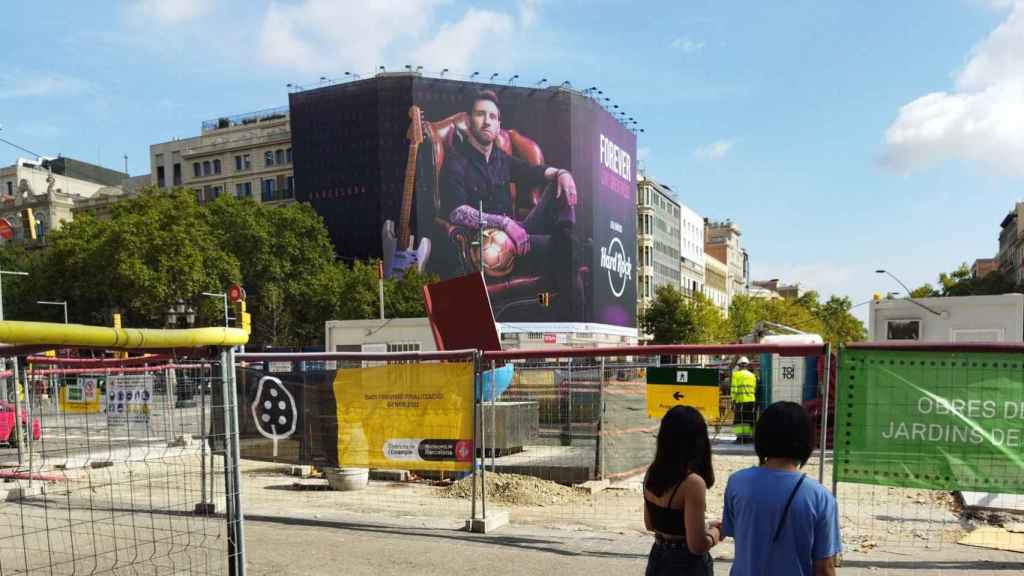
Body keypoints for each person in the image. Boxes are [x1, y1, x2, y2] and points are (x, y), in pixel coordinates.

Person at [439, 90, 580, 316]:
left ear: (498, 125)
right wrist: (505, 223)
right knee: (568, 251)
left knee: (558, 184)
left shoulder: (501, 159)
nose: (487, 121)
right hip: (489, 248)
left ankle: (567, 238)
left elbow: (535, 172)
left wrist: (562, 172)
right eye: (480, 114)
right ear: (469, 120)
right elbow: (456, 212)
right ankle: (570, 312)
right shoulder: (457, 160)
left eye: (492, 117)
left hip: (516, 234)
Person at [721, 401, 841, 576]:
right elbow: (824, 568)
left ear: (761, 436)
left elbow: (734, 532)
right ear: (807, 440)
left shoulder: (737, 483)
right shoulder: (820, 497)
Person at [643, 405, 721, 576]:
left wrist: (702, 526)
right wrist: (717, 533)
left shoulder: (652, 472)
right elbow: (696, 546)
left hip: (657, 557)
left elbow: (650, 525)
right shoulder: (693, 483)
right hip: (686, 565)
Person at [731, 357, 757, 443]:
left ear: (739, 365)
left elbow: (734, 389)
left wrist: (733, 401)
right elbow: (755, 388)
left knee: (739, 420)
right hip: (751, 401)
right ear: (747, 365)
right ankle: (748, 438)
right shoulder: (752, 375)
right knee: (748, 420)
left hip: (740, 401)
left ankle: (740, 439)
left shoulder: (736, 375)